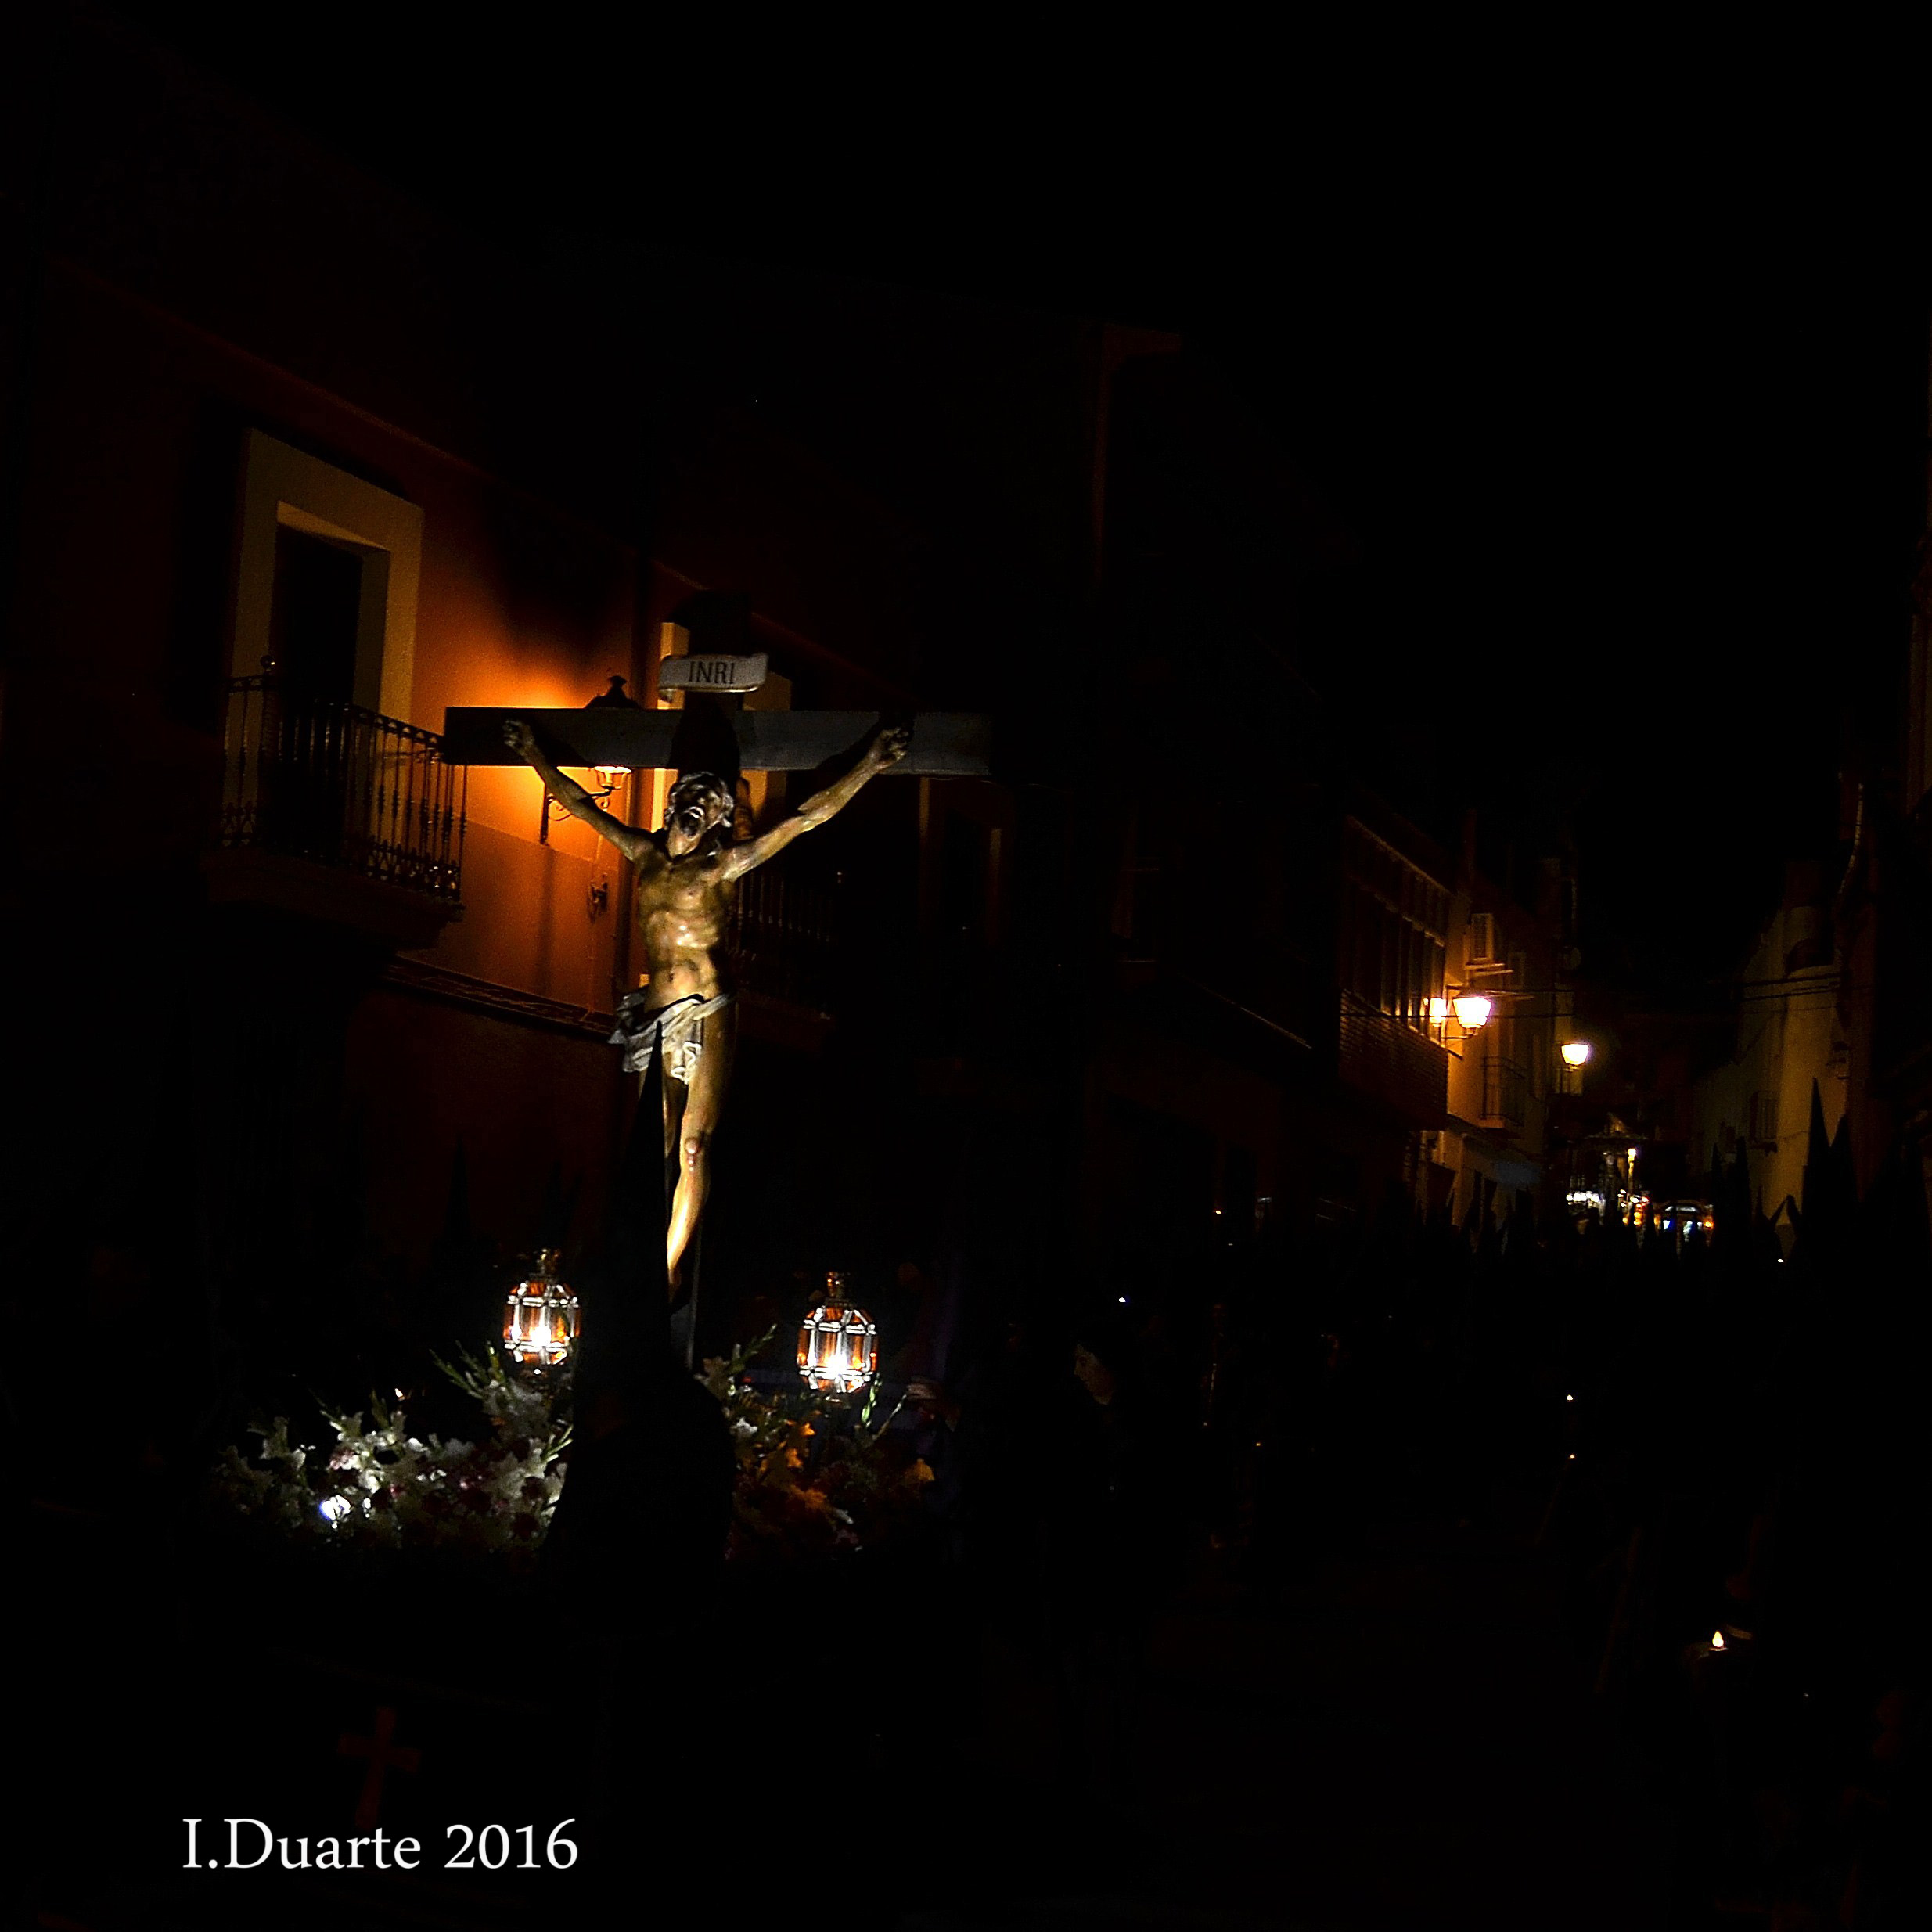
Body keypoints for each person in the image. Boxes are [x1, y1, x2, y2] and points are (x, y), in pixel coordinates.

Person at [502, 717, 909, 1289]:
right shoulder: (643, 853)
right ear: (674, 804)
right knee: (653, 1145)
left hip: (709, 1007)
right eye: (693, 793)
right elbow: (577, 801)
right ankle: (631, 1259)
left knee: (693, 1147)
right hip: (655, 1015)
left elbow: (804, 817)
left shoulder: (723, 865)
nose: (701, 803)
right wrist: (532, 755)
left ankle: (664, 1269)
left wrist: (870, 763)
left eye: (712, 800)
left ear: (719, 818)